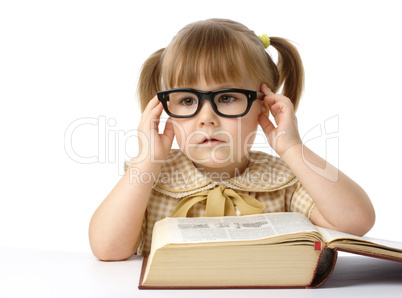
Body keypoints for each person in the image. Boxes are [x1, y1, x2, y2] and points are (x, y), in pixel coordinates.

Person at [88, 18, 375, 261]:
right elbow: (107, 248)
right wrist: (147, 161)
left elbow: (355, 223)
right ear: (166, 111)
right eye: (187, 100)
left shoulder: (282, 179)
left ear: (264, 106)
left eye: (226, 98)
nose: (206, 118)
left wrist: (292, 149)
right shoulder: (153, 177)